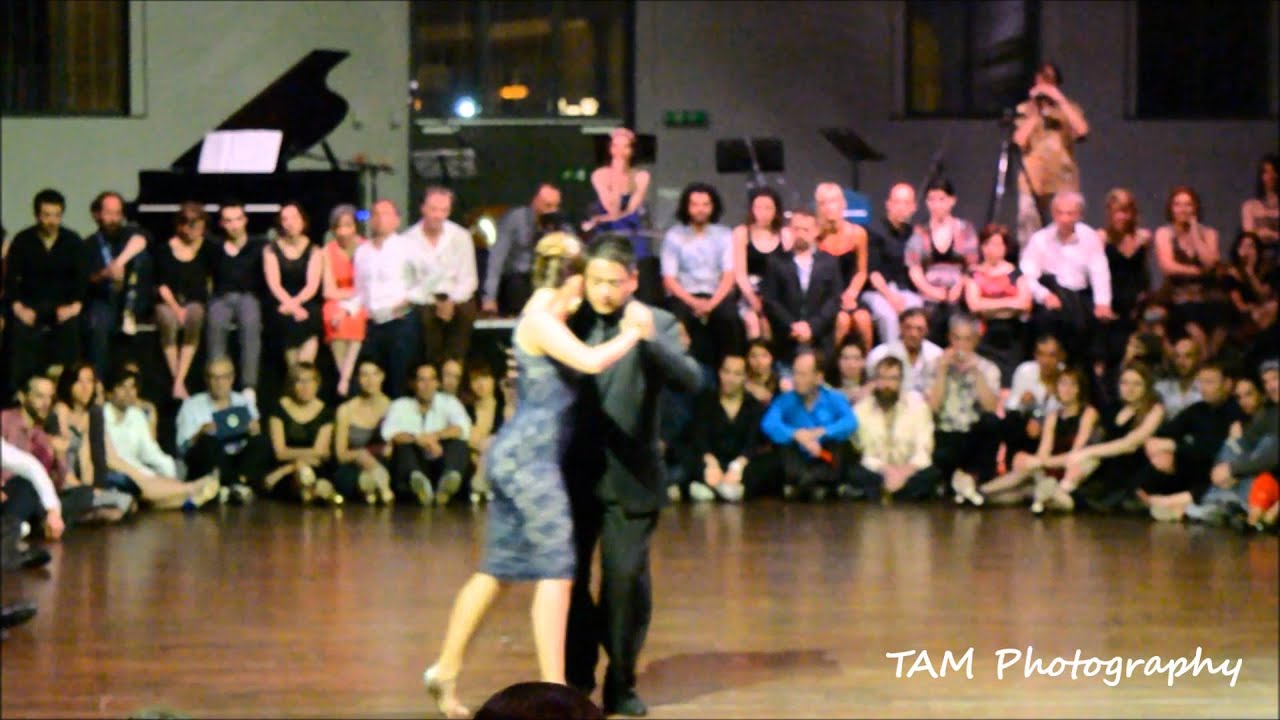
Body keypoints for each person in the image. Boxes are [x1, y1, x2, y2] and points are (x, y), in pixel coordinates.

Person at [422, 233, 651, 718]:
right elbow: (589, 362)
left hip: (517, 455)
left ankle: (444, 671)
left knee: (497, 572)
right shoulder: (544, 317)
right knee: (557, 572)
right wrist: (634, 332)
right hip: (530, 460)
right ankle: (556, 692)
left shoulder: (546, 303)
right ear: (573, 278)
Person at [564, 234, 703, 716]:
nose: (603, 291)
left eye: (613, 282)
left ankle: (620, 680)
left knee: (624, 581)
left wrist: (648, 341)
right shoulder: (570, 318)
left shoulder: (656, 321)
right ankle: (575, 673)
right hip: (573, 473)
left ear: (632, 281)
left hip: (633, 475)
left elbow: (692, 380)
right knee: (571, 580)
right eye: (595, 281)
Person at [4, 189, 87, 390]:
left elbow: (81, 280)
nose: (52, 221)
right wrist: (18, 307)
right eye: (47, 215)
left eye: (56, 215)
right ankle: (19, 392)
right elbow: (11, 279)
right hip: (30, 305)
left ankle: (68, 391)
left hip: (63, 306)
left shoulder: (72, 241)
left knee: (72, 333)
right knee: (17, 335)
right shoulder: (23, 240)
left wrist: (74, 306)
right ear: (37, 215)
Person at [760, 349, 859, 502]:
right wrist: (796, 434)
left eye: (803, 374)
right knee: (781, 448)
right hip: (798, 457)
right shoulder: (785, 400)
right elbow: (768, 423)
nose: (796, 379)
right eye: (795, 373)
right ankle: (808, 484)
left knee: (841, 447)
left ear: (818, 377)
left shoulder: (833, 397)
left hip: (824, 454)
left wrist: (822, 432)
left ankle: (812, 484)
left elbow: (850, 422)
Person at [1012, 61, 1090, 248]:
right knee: (1029, 235)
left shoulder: (1069, 109)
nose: (1044, 86)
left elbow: (1082, 130)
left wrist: (1060, 100)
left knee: (1065, 234)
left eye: (1049, 81)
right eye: (1041, 81)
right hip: (1032, 182)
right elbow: (1019, 140)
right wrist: (1036, 111)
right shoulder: (1024, 110)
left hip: (1062, 181)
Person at [849, 355, 938, 501]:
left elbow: (924, 448)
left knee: (931, 474)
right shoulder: (861, 410)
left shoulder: (918, 407)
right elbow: (864, 452)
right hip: (877, 471)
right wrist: (886, 471)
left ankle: (886, 491)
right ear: (875, 381)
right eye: (882, 378)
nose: (886, 384)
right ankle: (897, 492)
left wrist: (905, 472)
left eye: (892, 379)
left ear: (901, 381)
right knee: (856, 473)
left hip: (909, 469)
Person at [760, 207, 843, 364]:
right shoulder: (775, 262)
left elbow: (834, 300)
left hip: (819, 337)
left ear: (816, 231)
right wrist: (792, 326)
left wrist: (812, 327)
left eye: (805, 229)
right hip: (785, 336)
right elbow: (771, 301)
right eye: (796, 228)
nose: (800, 234)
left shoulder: (830, 262)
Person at [906, 178, 979, 345]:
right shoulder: (920, 231)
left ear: (952, 201)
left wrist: (959, 287)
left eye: (941, 199)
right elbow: (914, 268)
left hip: (958, 293)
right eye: (931, 199)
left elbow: (972, 266)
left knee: (958, 319)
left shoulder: (965, 229)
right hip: (929, 295)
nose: (936, 204)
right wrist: (931, 290)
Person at [154, 202, 216, 399]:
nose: (192, 231)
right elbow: (161, 284)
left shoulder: (207, 248)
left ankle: (180, 380)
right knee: (166, 319)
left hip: (194, 301)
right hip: (169, 301)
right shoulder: (165, 249)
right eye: (188, 225)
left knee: (195, 315)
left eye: (197, 226)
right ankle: (177, 380)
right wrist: (176, 308)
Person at [207, 199, 266, 402]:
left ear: (245, 220)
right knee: (215, 324)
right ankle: (218, 384)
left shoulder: (259, 245)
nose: (233, 224)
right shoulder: (214, 246)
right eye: (228, 220)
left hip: (248, 296)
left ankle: (249, 387)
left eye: (237, 219)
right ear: (222, 224)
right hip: (221, 298)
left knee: (251, 324)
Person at [484, 184, 571, 316]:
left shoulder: (558, 224)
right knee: (517, 285)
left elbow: (574, 248)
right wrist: (489, 297)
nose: (551, 210)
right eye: (548, 205)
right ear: (536, 202)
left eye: (555, 206)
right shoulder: (516, 218)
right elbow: (497, 258)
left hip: (545, 278)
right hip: (516, 278)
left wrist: (561, 237)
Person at [265, 362, 339, 504]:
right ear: (292, 384)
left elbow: (320, 452)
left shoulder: (326, 412)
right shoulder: (278, 408)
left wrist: (292, 465)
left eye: (309, 381)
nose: (305, 387)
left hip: (315, 468)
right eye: (299, 381)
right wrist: (295, 466)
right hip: (285, 472)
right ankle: (309, 490)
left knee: (315, 477)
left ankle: (312, 490)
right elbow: (280, 452)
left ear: (317, 384)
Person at [815, 182, 875, 352]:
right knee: (842, 320)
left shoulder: (858, 233)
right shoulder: (815, 235)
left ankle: (866, 368)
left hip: (850, 291)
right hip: (824, 295)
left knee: (863, 319)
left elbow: (861, 272)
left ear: (843, 204)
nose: (829, 208)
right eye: (823, 203)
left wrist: (851, 294)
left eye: (833, 201)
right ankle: (834, 368)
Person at [263, 202, 324, 368]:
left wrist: (296, 305)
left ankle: (306, 372)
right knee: (286, 321)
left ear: (303, 221)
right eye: (285, 219)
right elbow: (274, 284)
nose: (290, 223)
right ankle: (293, 376)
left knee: (312, 317)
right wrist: (291, 306)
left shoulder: (314, 249)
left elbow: (312, 285)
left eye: (294, 218)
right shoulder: (271, 249)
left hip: (305, 299)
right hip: (280, 299)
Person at [731, 186, 791, 342]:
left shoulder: (785, 234)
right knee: (753, 321)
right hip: (749, 293)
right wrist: (754, 300)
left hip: (777, 294)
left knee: (771, 323)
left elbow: (789, 272)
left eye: (768, 208)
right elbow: (740, 274)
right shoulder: (742, 233)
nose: (763, 213)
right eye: (758, 207)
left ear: (776, 210)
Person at [321, 204, 368, 397]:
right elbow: (328, 290)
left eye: (348, 225)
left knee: (356, 317)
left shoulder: (366, 248)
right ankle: (345, 378)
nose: (344, 232)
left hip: (360, 301)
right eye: (339, 227)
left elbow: (366, 287)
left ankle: (345, 380)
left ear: (355, 226)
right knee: (331, 315)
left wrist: (349, 302)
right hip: (337, 300)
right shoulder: (327, 251)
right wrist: (348, 297)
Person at [333, 360, 393, 504]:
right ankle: (370, 488)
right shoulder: (346, 410)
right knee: (344, 476)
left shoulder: (392, 407)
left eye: (374, 374)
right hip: (353, 464)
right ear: (357, 379)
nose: (370, 380)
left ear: (382, 376)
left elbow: (391, 449)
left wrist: (372, 457)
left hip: (382, 462)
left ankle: (376, 487)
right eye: (364, 375)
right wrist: (359, 455)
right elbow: (340, 454)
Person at [1240, 153, 1278, 264]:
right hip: (1257, 259)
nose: (1271, 176)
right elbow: (1249, 236)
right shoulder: (1251, 206)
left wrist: (1270, 234)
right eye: (1266, 172)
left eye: (1274, 171)